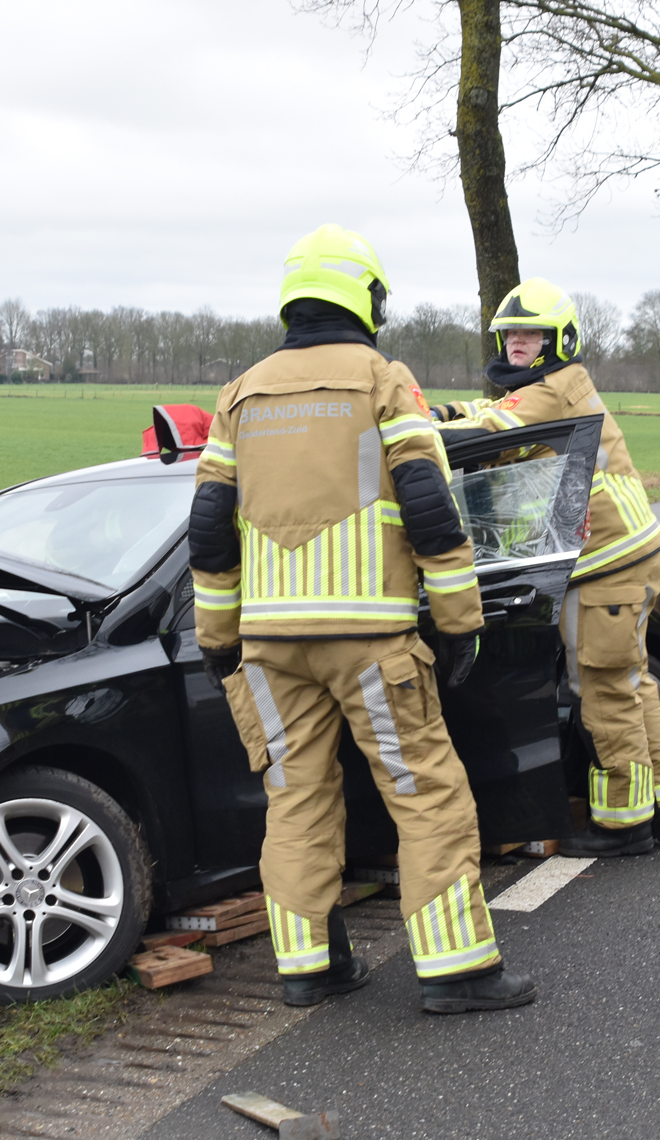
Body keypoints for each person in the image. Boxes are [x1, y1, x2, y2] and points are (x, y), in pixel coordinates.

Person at [189, 223, 536, 1015]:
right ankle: (458, 970)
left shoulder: (240, 394)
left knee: (297, 799)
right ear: (369, 298)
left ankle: (309, 965)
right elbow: (430, 505)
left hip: (269, 648)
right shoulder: (383, 379)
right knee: (427, 793)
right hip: (369, 638)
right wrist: (458, 623)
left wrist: (219, 641)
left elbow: (209, 527)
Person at [431, 279, 660, 855]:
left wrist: (403, 431)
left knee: (600, 689)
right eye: (510, 334)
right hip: (634, 554)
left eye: (530, 334)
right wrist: (438, 409)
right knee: (632, 680)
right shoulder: (557, 386)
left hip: (604, 563)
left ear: (557, 338)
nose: (516, 343)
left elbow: (483, 431)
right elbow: (489, 410)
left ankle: (622, 825)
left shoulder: (553, 390)